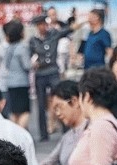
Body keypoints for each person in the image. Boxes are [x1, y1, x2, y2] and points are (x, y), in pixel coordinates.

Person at [40, 80, 86, 165]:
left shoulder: (95, 130)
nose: (58, 113)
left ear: (75, 101)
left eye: (59, 107)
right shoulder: (67, 138)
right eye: (55, 110)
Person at [30, 14, 69, 142]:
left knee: (59, 99)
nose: (42, 27)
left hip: (53, 70)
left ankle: (65, 129)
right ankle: (43, 133)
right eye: (39, 25)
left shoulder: (53, 34)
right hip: (40, 73)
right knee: (41, 105)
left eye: (44, 24)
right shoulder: (33, 40)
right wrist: (33, 62)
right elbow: (29, 55)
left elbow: (68, 30)